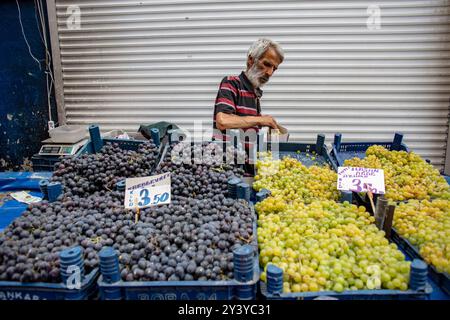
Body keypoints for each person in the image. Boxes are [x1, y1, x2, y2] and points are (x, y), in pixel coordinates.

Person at [212, 38, 286, 164]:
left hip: (244, 165)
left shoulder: (255, 94)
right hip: (225, 167)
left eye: (274, 68)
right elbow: (223, 121)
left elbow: (244, 128)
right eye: (267, 64)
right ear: (251, 60)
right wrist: (261, 120)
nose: (269, 72)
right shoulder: (231, 83)